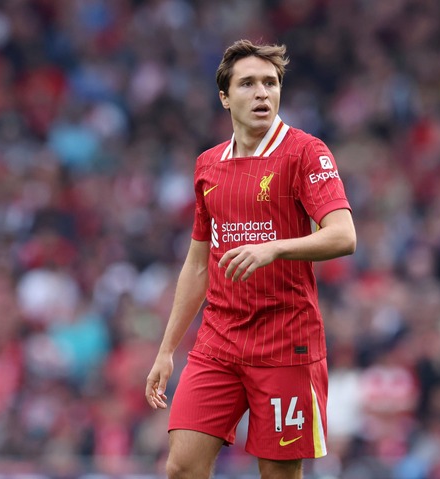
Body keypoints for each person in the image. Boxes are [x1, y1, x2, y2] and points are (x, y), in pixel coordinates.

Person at [145, 39, 356, 479]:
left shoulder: (305, 152)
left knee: (277, 475)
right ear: (225, 97)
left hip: (285, 344)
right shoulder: (208, 166)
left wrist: (275, 247)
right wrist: (166, 350)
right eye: (248, 84)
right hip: (218, 344)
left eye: (271, 82)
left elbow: (343, 236)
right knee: (181, 468)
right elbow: (198, 264)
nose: (262, 93)